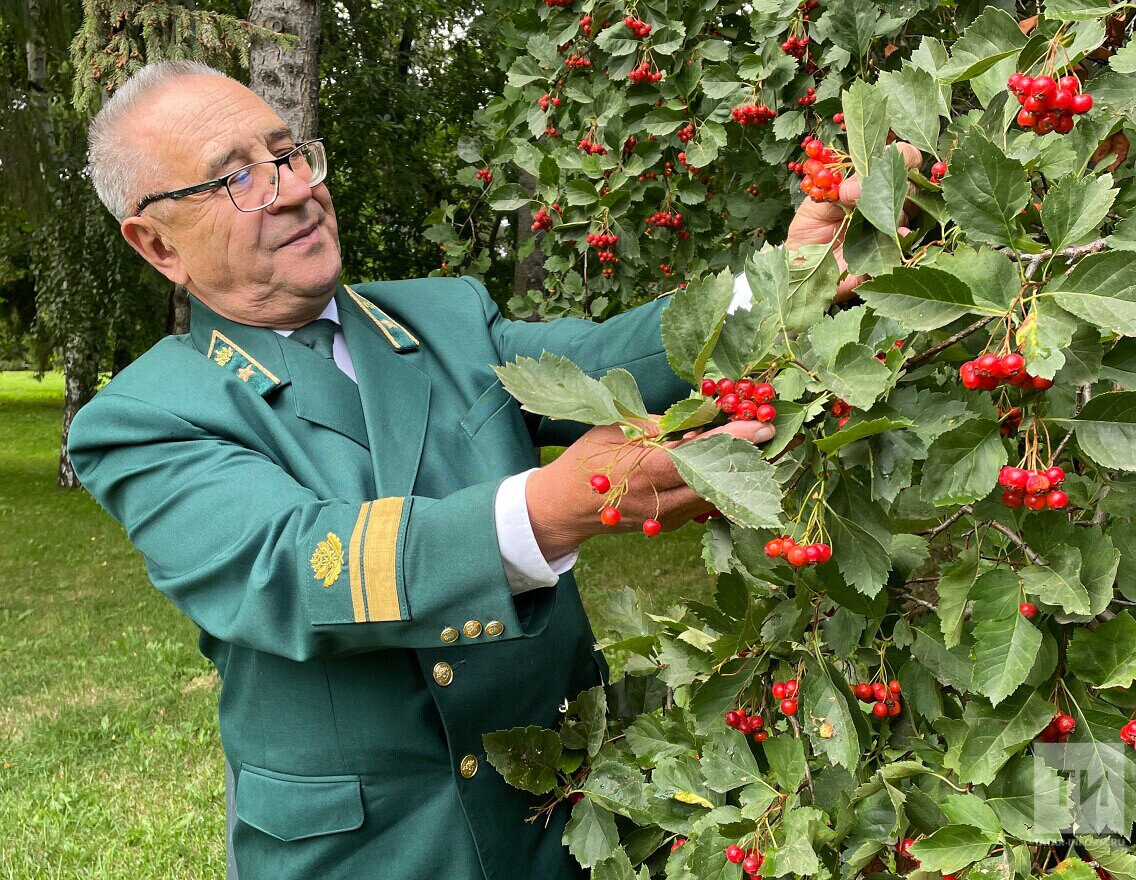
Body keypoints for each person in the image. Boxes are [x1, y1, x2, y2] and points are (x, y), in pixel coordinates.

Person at [67, 60, 917, 880]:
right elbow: (292, 565)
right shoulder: (144, 416)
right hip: (373, 854)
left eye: (288, 154)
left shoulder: (443, 314)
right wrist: (554, 508)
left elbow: (600, 362)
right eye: (236, 179)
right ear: (155, 244)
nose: (292, 188)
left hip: (558, 812)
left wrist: (793, 277)